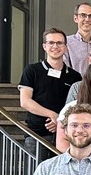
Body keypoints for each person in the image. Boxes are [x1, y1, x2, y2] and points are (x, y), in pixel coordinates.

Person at [19, 27, 82, 158]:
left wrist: (59, 121)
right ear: (44, 46)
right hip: (36, 135)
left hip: (65, 135)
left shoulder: (75, 77)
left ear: (65, 47)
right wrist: (52, 115)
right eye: (51, 43)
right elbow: (25, 101)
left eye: (59, 43)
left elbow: (77, 106)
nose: (55, 46)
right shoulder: (32, 70)